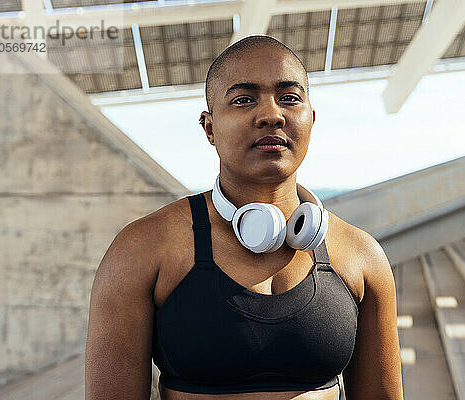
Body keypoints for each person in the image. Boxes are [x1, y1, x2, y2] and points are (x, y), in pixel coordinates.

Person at [85, 35, 403, 400]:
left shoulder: (361, 255)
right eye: (243, 99)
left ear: (311, 120)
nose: (271, 114)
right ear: (210, 128)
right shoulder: (143, 249)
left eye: (289, 98)